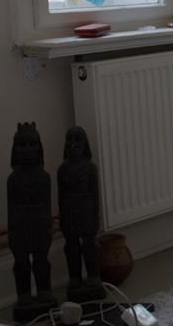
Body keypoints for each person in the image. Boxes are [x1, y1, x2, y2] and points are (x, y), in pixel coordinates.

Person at [7, 122, 56, 321]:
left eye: (32, 144)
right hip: (20, 227)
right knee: (21, 263)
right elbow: (11, 210)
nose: (27, 149)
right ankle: (24, 295)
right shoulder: (13, 180)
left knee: (41, 261)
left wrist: (48, 228)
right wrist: (12, 233)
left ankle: (44, 291)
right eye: (22, 144)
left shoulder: (44, 177)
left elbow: (47, 206)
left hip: (39, 226)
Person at [57, 126, 104, 302]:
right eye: (70, 140)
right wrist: (62, 218)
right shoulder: (62, 170)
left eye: (78, 139)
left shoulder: (90, 168)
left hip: (86, 212)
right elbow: (60, 197)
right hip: (69, 212)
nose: (73, 144)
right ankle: (74, 276)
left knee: (89, 244)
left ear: (85, 144)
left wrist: (95, 217)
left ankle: (93, 275)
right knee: (71, 246)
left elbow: (95, 196)